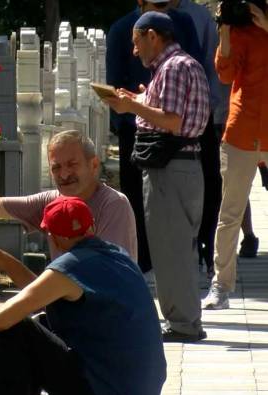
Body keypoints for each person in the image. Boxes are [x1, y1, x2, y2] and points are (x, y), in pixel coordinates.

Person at [0, 196, 166, 395]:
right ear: (91, 225)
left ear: (53, 236)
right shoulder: (119, 256)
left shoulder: (70, 266)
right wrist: (5, 262)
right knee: (34, 328)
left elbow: (0, 320)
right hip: (141, 385)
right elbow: (43, 292)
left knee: (13, 331)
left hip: (105, 387)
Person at [104, 11, 210, 342]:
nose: (134, 51)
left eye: (137, 42)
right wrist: (138, 100)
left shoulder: (175, 67)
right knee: (177, 246)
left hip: (172, 167)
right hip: (181, 166)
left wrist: (131, 108)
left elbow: (172, 122)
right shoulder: (176, 66)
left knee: (171, 247)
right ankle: (185, 320)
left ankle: (183, 324)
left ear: (153, 36)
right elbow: (167, 113)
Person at [0, 130, 137, 262]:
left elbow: (110, 272)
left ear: (94, 165)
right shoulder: (51, 201)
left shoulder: (114, 205)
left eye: (72, 165)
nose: (65, 174)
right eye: (57, 167)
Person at [202, 2, 268, 310]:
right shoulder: (239, 31)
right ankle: (221, 286)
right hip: (242, 127)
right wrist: (225, 32)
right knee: (229, 214)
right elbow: (225, 75)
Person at [171, 0, 230, 275]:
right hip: (163, 118)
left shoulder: (198, 17)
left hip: (201, 113)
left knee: (209, 181)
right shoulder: (143, 17)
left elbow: (211, 63)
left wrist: (216, 111)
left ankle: (206, 245)